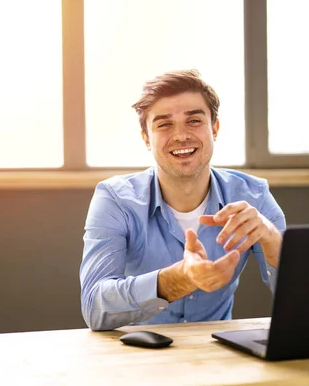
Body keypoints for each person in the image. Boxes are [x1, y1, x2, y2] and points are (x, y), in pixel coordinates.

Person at [80, 69, 286, 331]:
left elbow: (305, 301)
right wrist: (177, 280)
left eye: (194, 121)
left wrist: (272, 239)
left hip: (216, 354)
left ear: (215, 128)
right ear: (146, 138)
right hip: (136, 356)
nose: (180, 135)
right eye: (164, 124)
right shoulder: (115, 199)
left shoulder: (253, 195)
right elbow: (94, 307)